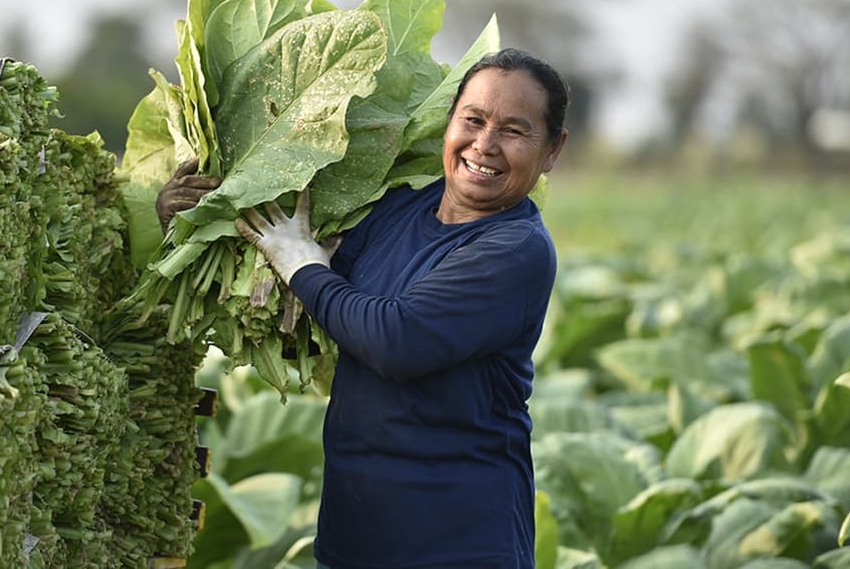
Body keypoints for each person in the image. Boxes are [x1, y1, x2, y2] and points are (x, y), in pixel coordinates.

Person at [162, 48, 568, 568]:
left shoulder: (515, 250)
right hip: (355, 541)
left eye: (515, 131)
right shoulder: (398, 209)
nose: (484, 145)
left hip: (458, 545)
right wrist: (189, 217)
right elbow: (290, 298)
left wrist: (303, 264)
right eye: (473, 120)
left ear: (553, 149)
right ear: (450, 122)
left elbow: (395, 340)